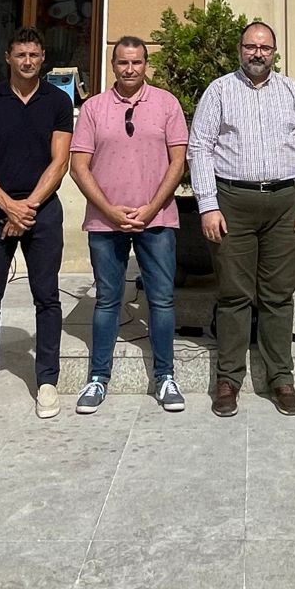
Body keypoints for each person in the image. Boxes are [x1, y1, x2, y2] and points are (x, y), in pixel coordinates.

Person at [188, 22, 295, 417]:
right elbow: (199, 148)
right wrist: (208, 205)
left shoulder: (293, 92)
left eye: (265, 48)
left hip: (286, 203)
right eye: (251, 46)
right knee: (234, 295)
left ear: (274, 52)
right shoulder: (219, 91)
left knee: (278, 295)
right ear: (240, 49)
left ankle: (280, 377)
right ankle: (228, 379)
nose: (258, 53)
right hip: (233, 203)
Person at [0, 26, 74, 424]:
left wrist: (28, 209)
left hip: (43, 210)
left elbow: (60, 162)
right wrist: (10, 208)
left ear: (43, 59)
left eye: (34, 55)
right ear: (8, 57)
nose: (27, 61)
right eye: (21, 55)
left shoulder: (58, 101)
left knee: (47, 297)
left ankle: (47, 381)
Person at [69, 36, 190, 415]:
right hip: (106, 222)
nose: (130, 69)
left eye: (136, 62)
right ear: (113, 65)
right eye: (123, 62)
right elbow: (78, 167)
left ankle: (165, 376)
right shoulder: (94, 108)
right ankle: (97, 377)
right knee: (107, 300)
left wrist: (151, 208)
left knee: (162, 300)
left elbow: (178, 162)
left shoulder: (167, 104)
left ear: (145, 64)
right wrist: (109, 210)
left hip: (158, 220)